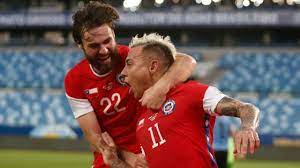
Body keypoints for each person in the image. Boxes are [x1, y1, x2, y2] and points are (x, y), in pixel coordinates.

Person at [64, 1, 196, 168]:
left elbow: (187, 61)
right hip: (112, 155)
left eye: (107, 41)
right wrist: (130, 159)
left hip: (152, 148)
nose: (104, 50)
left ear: (113, 34)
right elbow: (94, 137)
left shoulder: (134, 57)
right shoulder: (75, 79)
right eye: (94, 46)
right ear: (79, 45)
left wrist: (159, 88)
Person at [99, 33, 260, 168]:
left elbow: (245, 108)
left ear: (153, 66)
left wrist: (247, 128)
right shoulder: (142, 121)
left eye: (129, 63)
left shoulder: (192, 92)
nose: (123, 73)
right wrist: (116, 163)